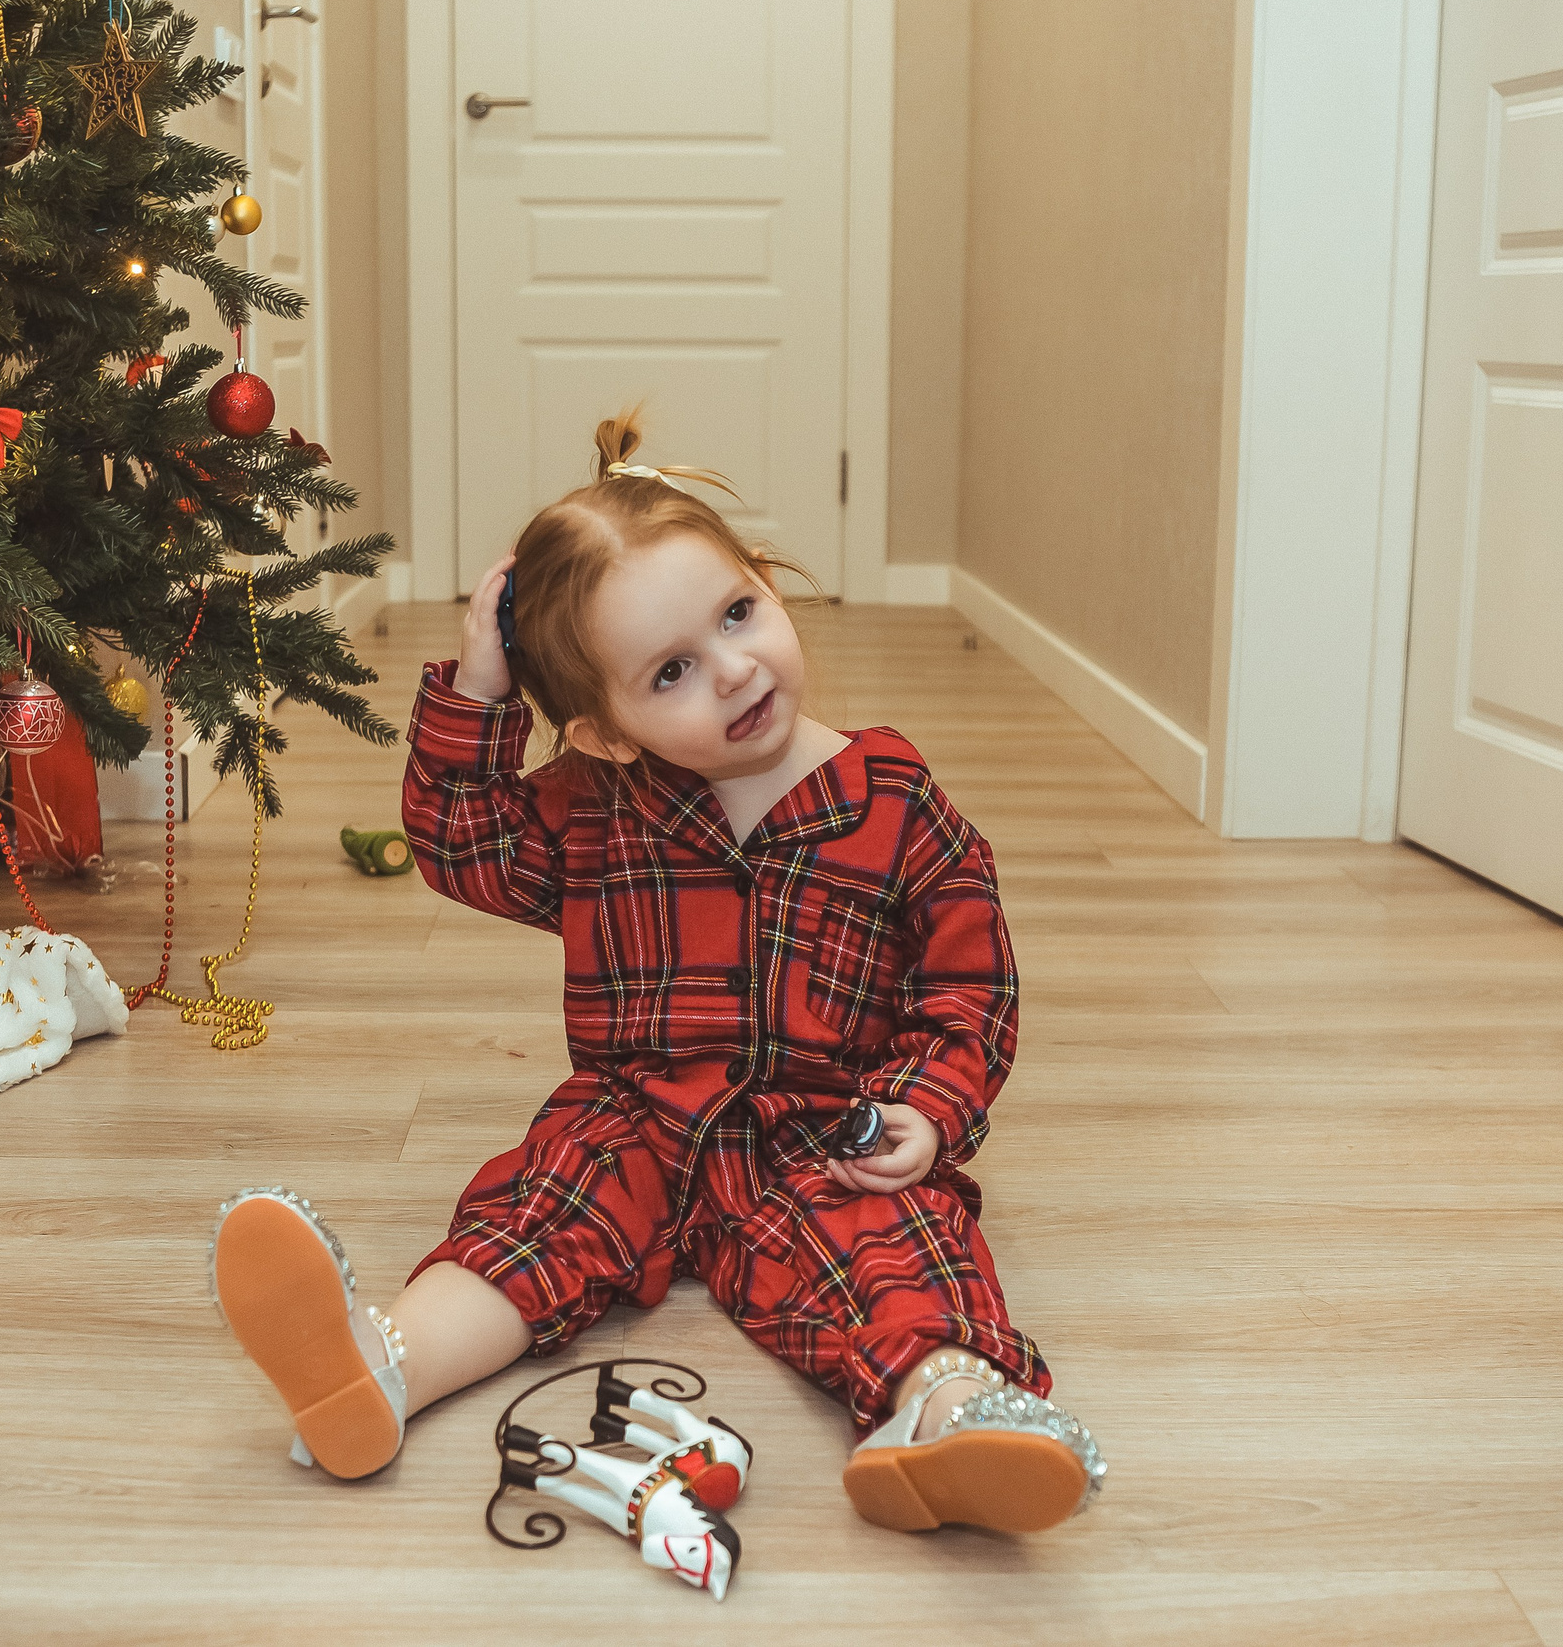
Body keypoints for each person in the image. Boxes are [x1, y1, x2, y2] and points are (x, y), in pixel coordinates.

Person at [209, 412, 1102, 1534]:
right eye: (671, 670)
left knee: (893, 1244)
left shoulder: (893, 803)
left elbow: (967, 988)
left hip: (822, 1124)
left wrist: (926, 1106)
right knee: (540, 1210)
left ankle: (950, 1408)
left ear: (768, 581)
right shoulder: (600, 809)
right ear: (610, 731)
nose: (732, 671)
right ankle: (382, 1369)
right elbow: (462, 845)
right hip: (637, 1108)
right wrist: (479, 691)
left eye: (738, 613)